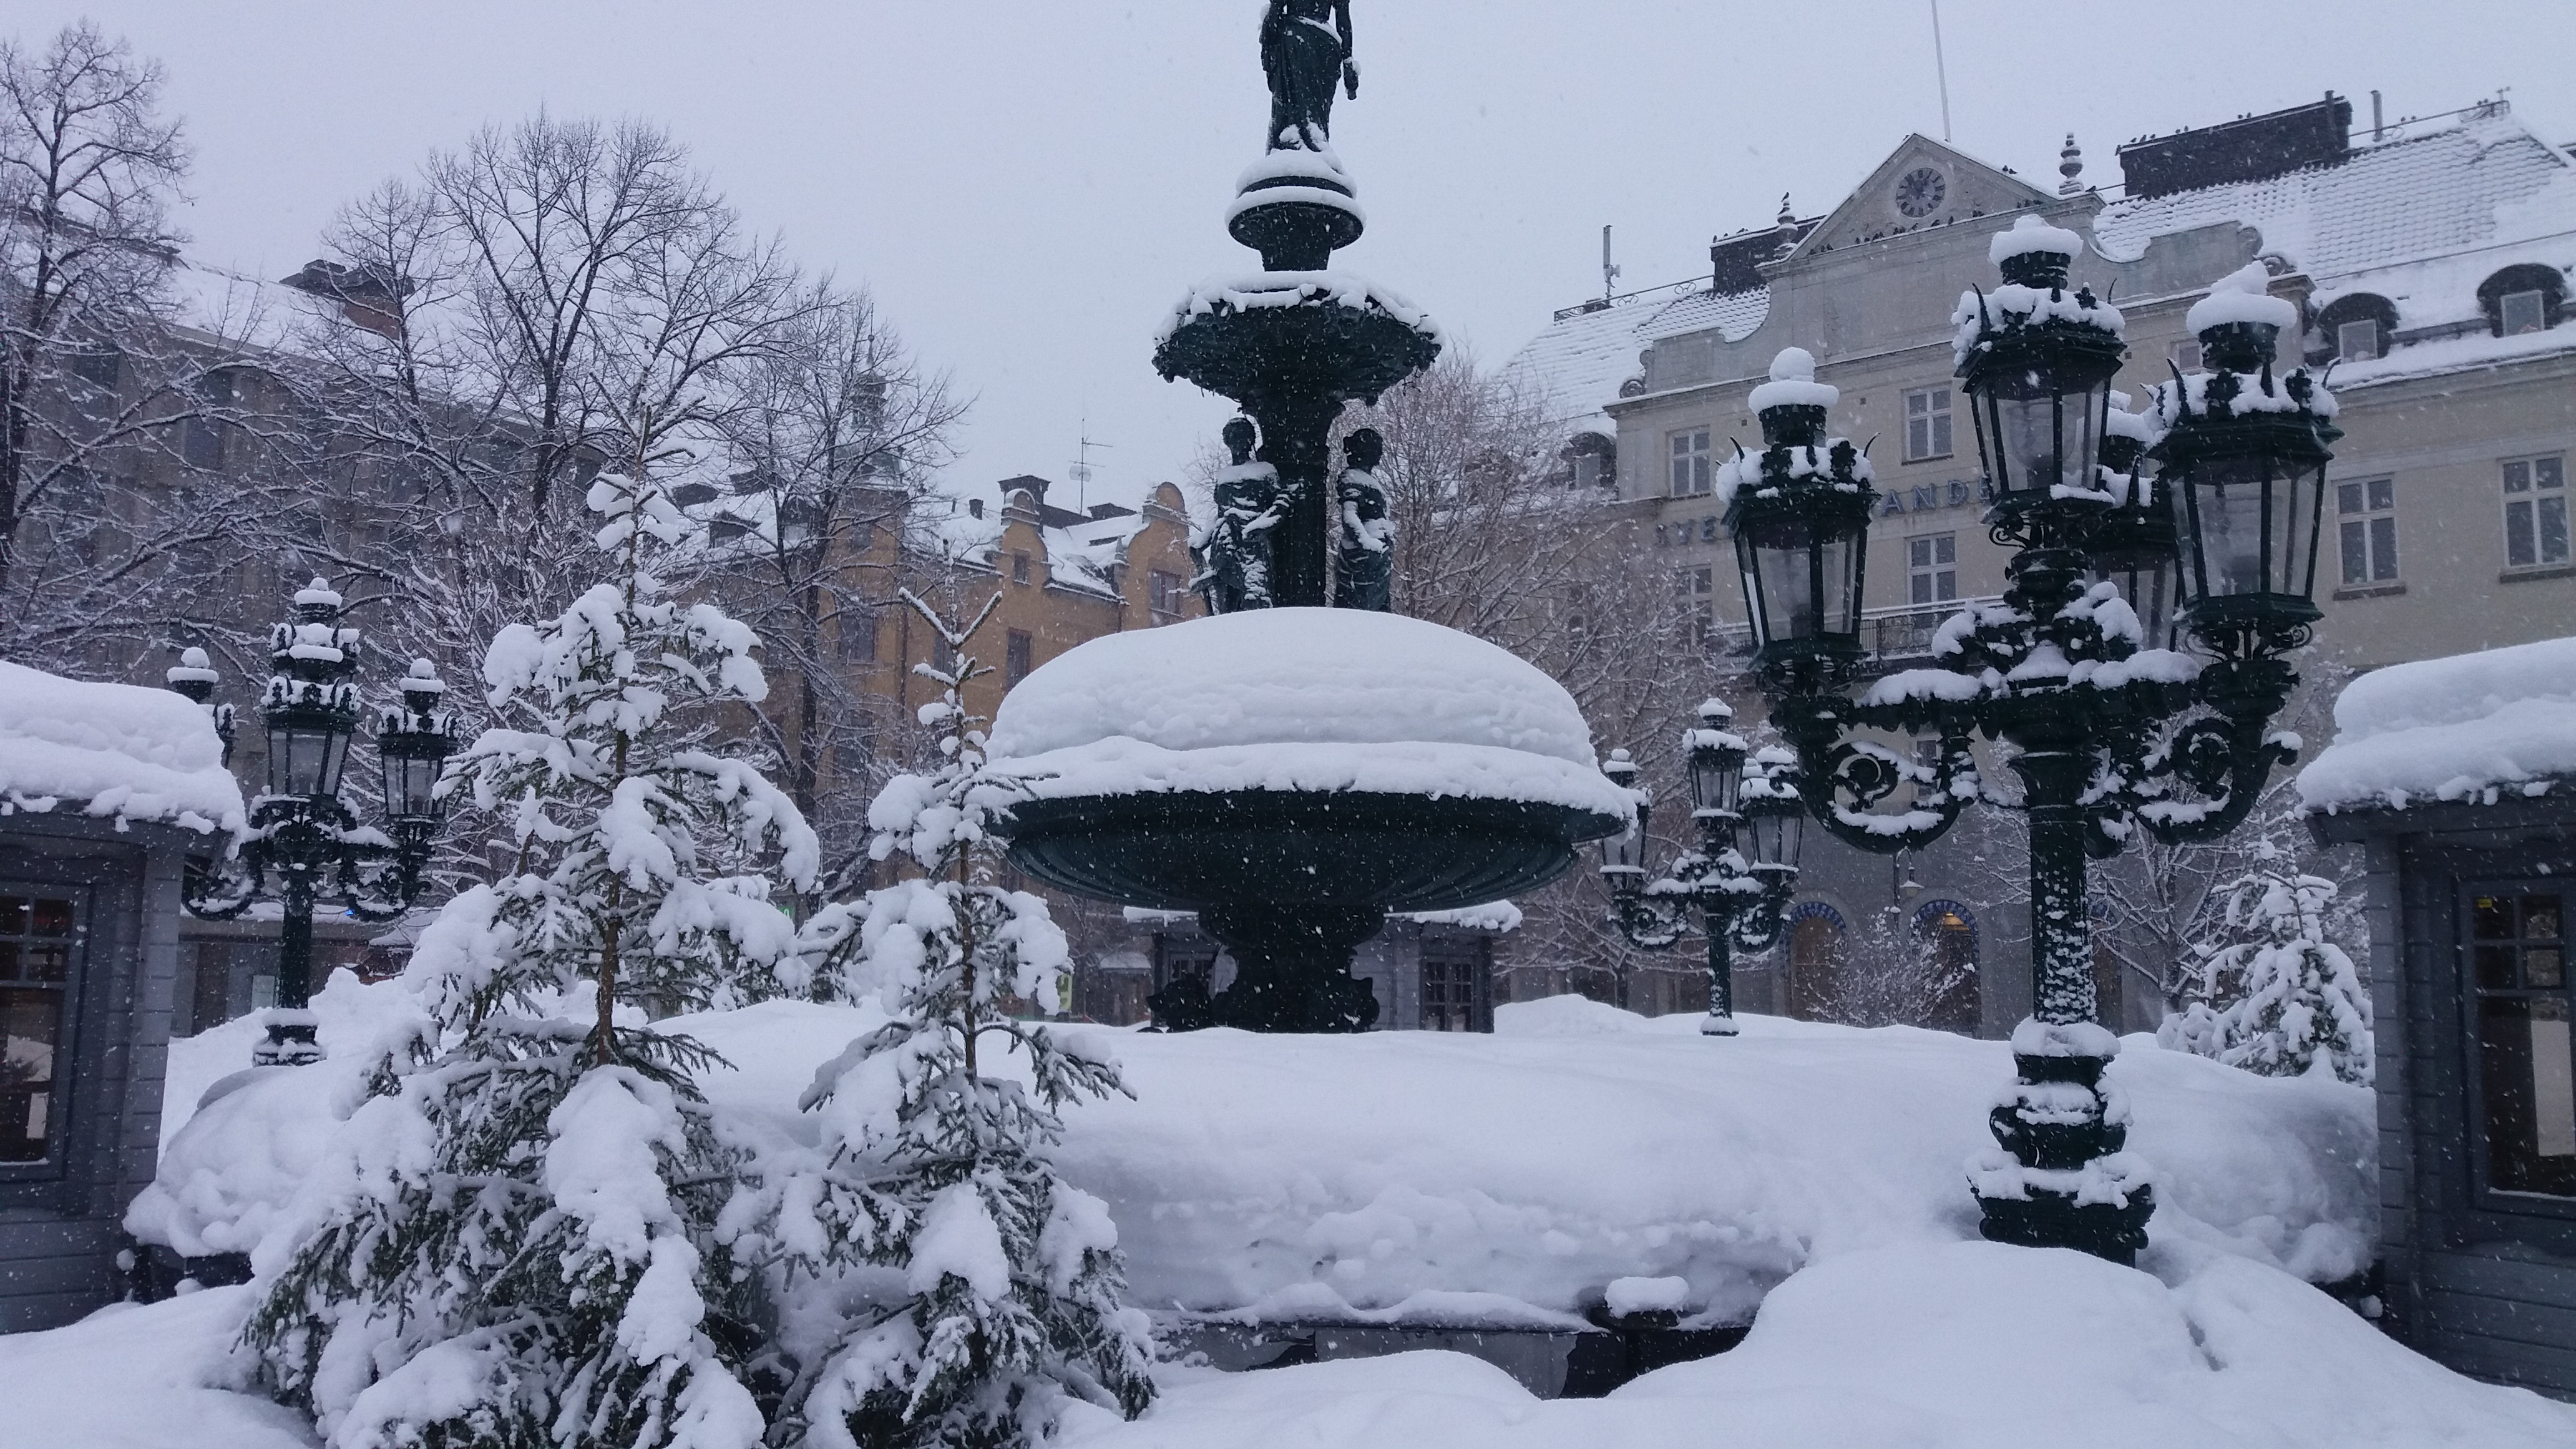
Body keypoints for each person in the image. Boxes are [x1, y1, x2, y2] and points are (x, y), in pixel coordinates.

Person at [1260, 0, 1356, 151]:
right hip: (1325, 46)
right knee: (1317, 113)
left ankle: (1290, 139)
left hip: (1295, 40)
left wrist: (1268, 39)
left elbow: (1277, 8)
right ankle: (1313, 140)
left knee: (1289, 105)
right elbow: (1343, 18)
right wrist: (1348, 62)